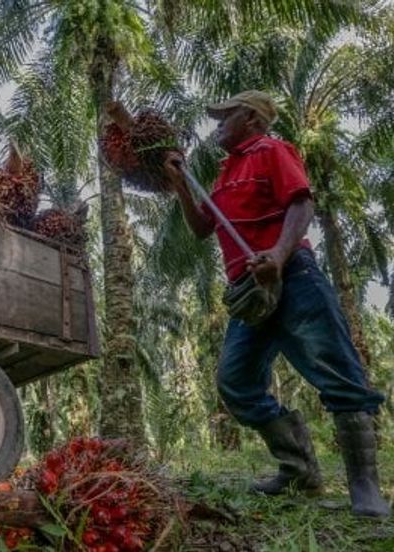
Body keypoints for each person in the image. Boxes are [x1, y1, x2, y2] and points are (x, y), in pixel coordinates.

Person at [163, 90, 390, 518]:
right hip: (249, 290)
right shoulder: (226, 172)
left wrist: (279, 256)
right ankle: (299, 469)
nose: (218, 125)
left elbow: (301, 202)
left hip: (292, 276)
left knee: (337, 370)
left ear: (251, 118)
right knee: (236, 380)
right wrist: (179, 184)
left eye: (225, 116)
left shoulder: (271, 150)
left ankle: (365, 487)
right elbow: (202, 228)